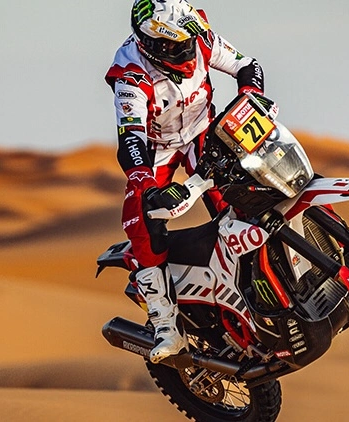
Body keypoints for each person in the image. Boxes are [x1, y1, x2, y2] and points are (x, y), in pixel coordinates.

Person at [105, 0, 265, 363]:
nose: (187, 52)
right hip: (157, 151)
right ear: (152, 45)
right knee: (142, 219)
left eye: (188, 42)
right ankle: (166, 326)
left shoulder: (199, 35)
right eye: (176, 47)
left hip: (202, 134)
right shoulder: (131, 75)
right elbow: (130, 139)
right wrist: (144, 181)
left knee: (244, 195)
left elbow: (246, 65)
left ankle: (259, 285)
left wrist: (250, 96)